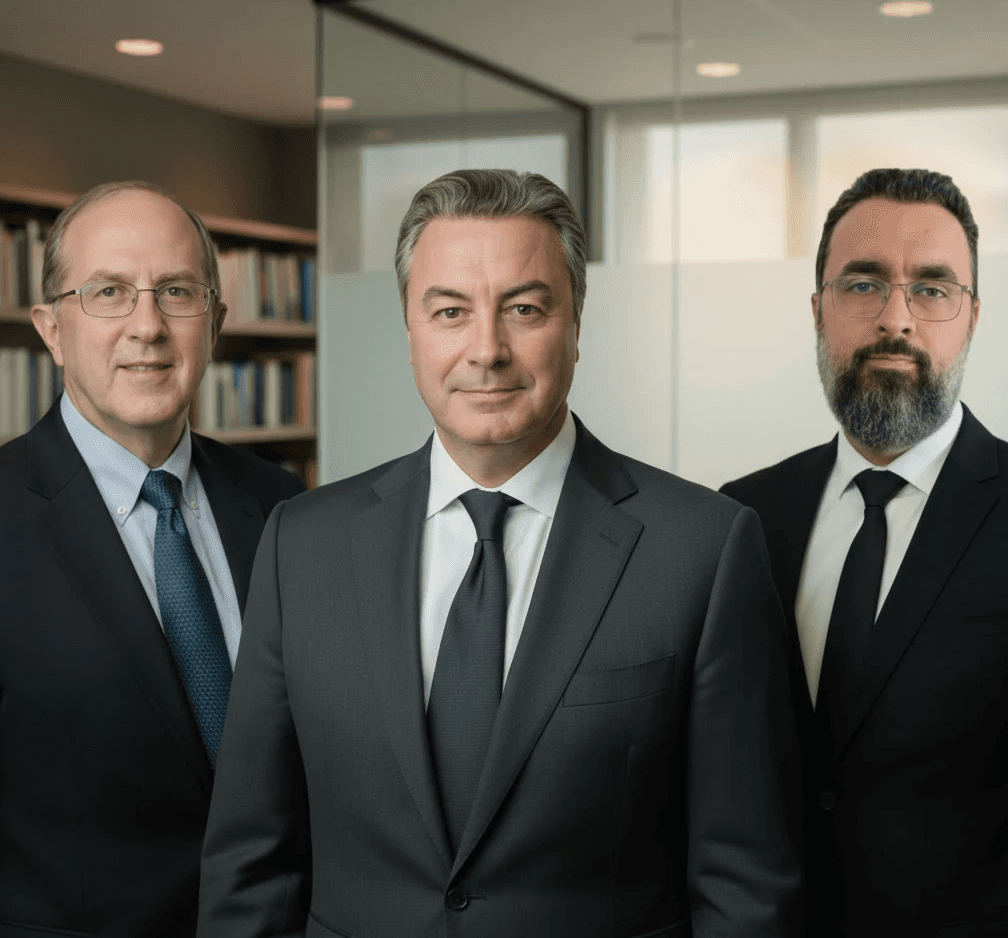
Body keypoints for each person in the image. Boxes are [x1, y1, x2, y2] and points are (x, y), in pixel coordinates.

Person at [197, 169, 803, 938]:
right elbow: (253, 863)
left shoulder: (704, 549)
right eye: (450, 311)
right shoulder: (301, 545)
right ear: (411, 331)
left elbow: (744, 884)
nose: (486, 350)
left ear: (576, 322)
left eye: (524, 308)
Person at [0, 181, 304, 936]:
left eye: (176, 292)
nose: (148, 326)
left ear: (217, 323)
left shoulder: (285, 507)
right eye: (108, 293)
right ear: (51, 328)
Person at [721, 168, 1008, 936]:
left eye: (933, 289)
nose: (897, 320)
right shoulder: (740, 515)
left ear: (972, 316)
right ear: (817, 311)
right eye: (863, 285)